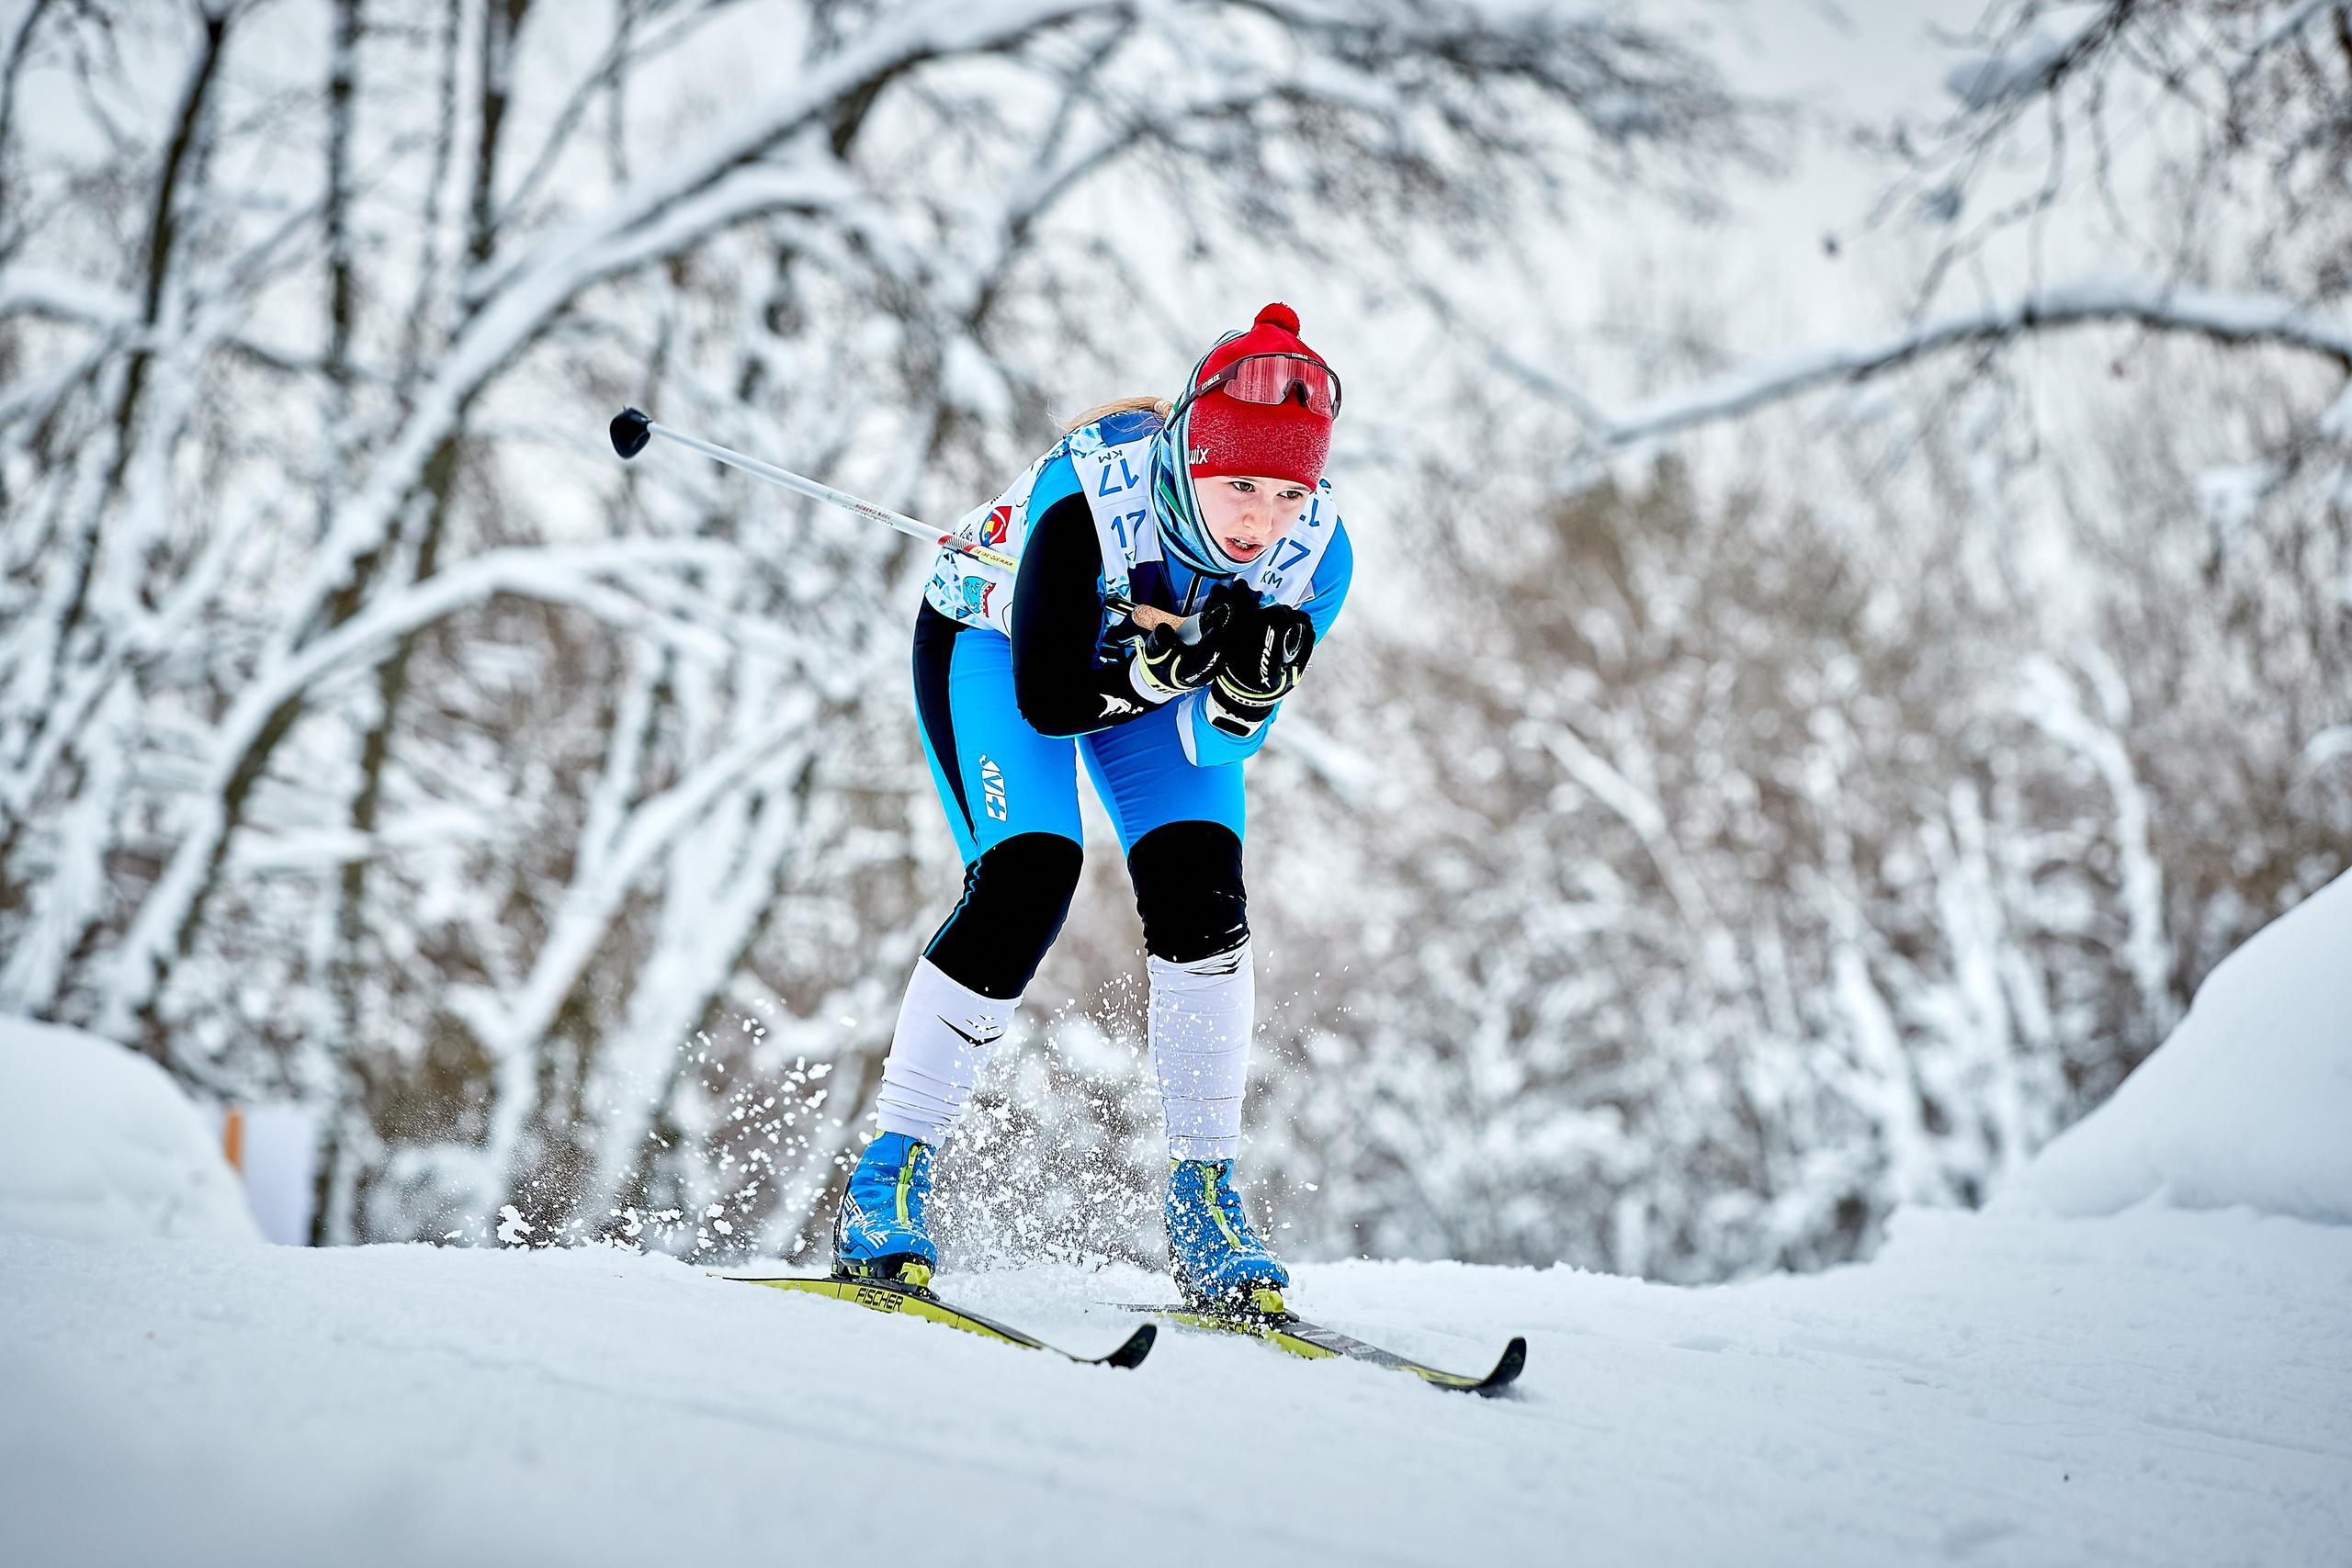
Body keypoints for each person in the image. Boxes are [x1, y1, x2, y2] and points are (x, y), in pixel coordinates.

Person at [831, 303, 1352, 1314]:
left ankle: (1204, 1196)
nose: (1258, 521)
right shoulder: (1092, 502)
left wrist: (1242, 690)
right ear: (1192, 457)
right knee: (1031, 873)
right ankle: (883, 1180)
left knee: (1203, 891)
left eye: (1286, 494)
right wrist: (1163, 671)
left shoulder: (1314, 558)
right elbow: (1049, 699)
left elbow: (1217, 747)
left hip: (1139, 684)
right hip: (998, 647)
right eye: (1237, 485)